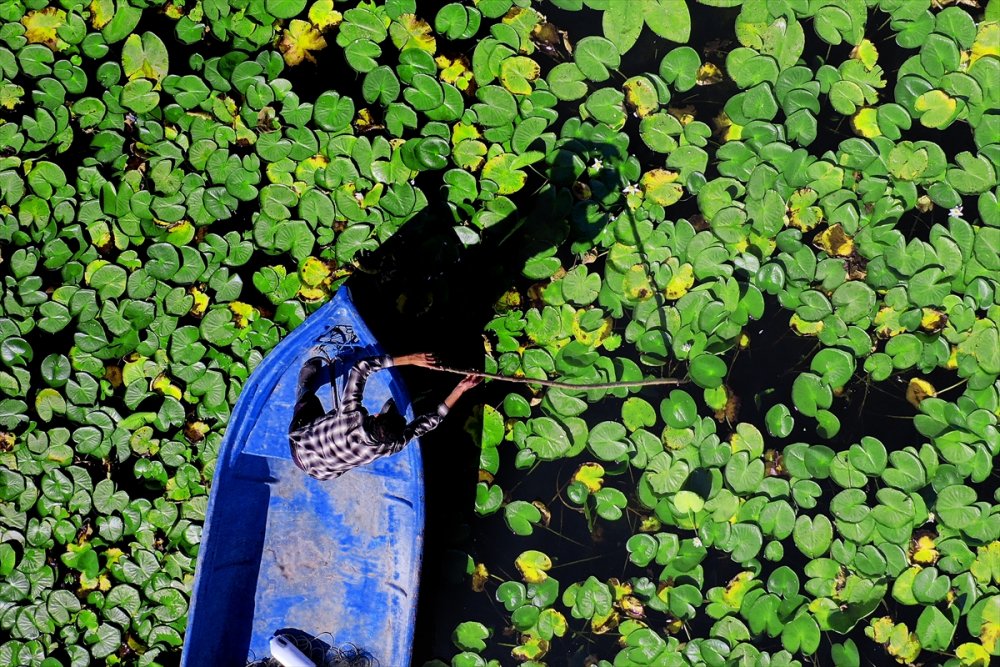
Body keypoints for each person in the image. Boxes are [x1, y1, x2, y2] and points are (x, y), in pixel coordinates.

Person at [288, 352, 479, 480]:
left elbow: (361, 367)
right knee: (320, 411)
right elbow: (430, 422)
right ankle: (306, 389)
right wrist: (460, 389)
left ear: (377, 415)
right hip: (321, 473)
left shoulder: (350, 416)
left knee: (309, 402)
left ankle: (304, 387)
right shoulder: (390, 447)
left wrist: (411, 359)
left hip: (301, 448)